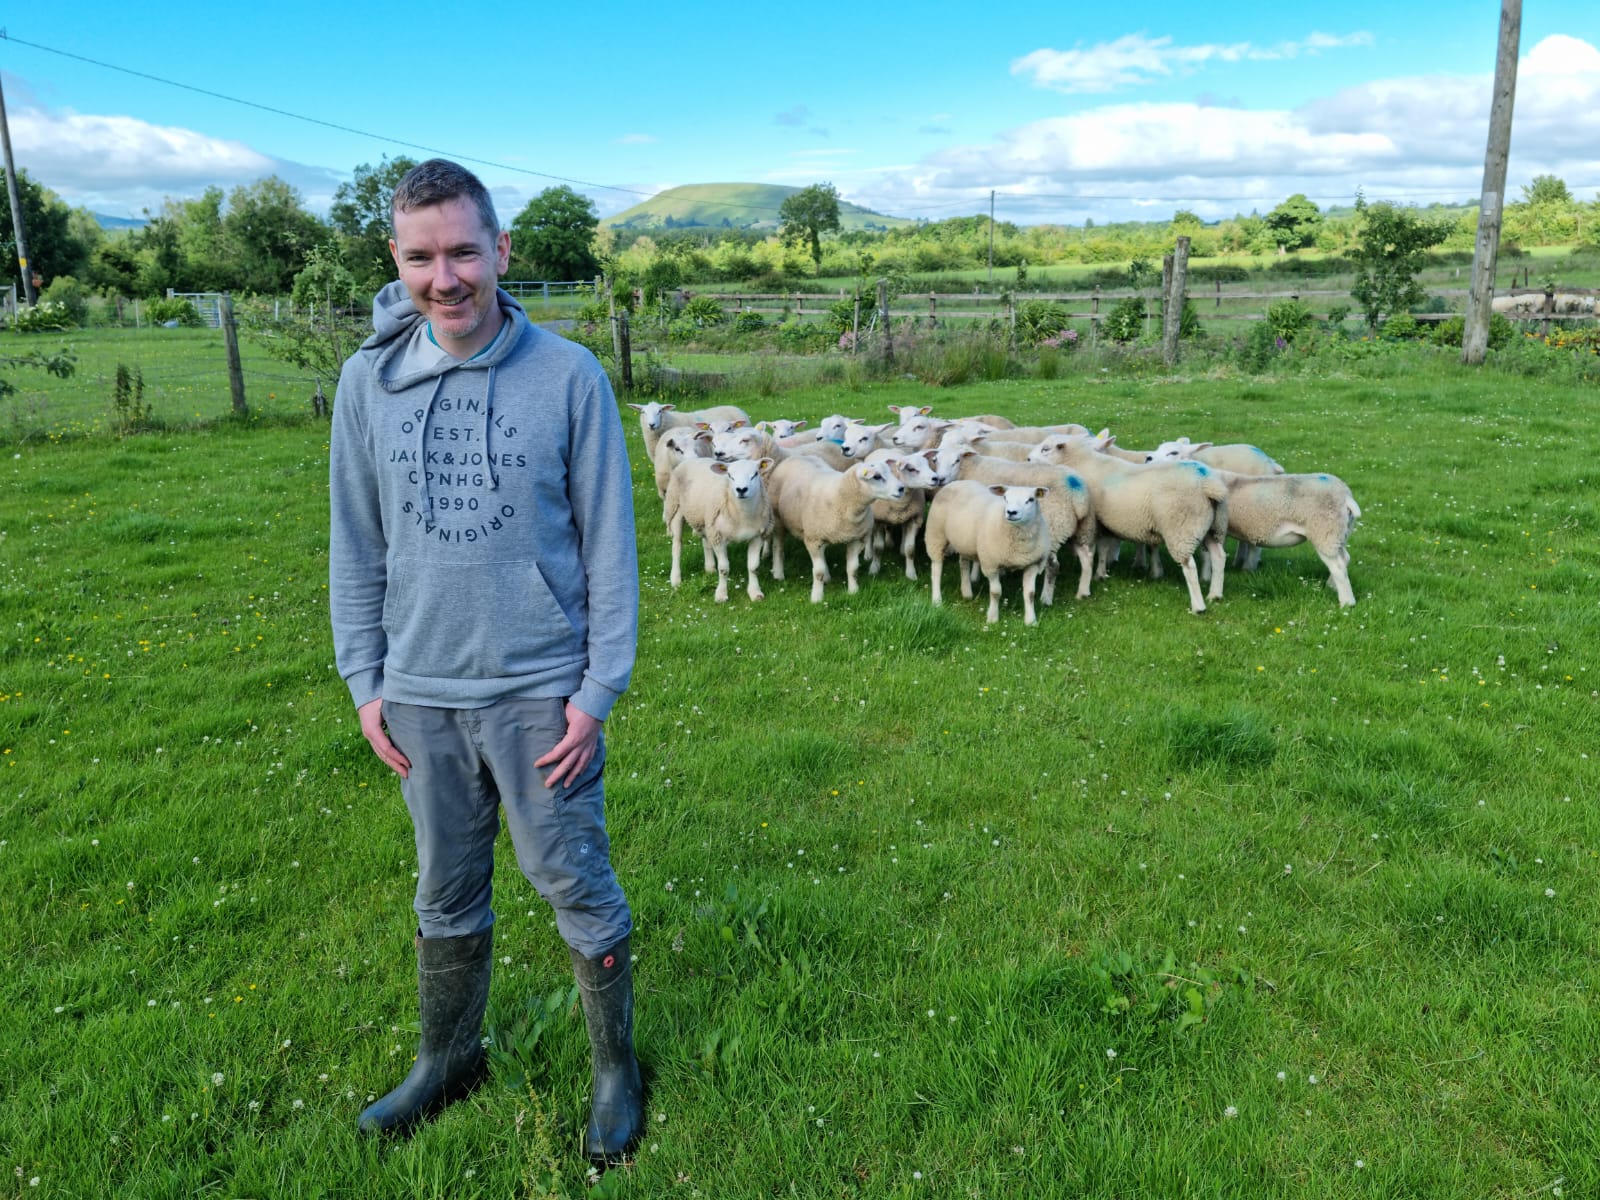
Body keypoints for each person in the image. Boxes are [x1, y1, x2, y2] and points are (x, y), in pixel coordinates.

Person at [328, 158, 642, 1162]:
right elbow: (355, 541)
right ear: (397, 258)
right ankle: (446, 1058)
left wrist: (596, 690)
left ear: (501, 251)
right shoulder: (365, 383)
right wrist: (364, 678)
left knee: (571, 879)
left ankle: (613, 1070)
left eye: (464, 250)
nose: (445, 276)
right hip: (419, 692)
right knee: (442, 890)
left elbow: (608, 548)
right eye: (420, 257)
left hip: (539, 694)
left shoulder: (568, 376)